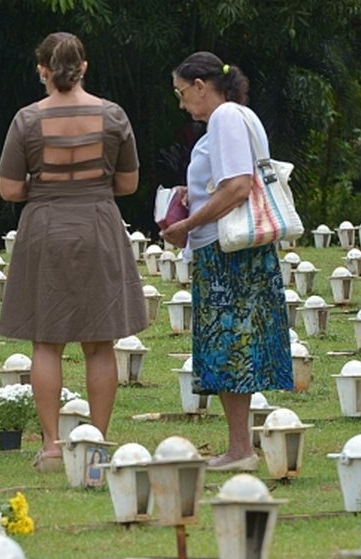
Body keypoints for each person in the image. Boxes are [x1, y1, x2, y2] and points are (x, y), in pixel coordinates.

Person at [0, 32, 146, 472]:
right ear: (85, 68)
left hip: (45, 225)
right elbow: (129, 184)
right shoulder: (113, 115)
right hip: (98, 224)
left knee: (47, 342)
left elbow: (8, 188)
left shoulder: (27, 120)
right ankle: (96, 444)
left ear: (43, 70)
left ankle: (52, 446)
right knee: (100, 345)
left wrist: (45, 188)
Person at [159, 52, 292, 472]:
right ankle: (239, 446)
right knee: (236, 345)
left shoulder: (224, 118)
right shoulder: (239, 117)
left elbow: (237, 187)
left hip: (226, 250)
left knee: (230, 346)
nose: (183, 104)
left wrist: (188, 224)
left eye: (183, 94)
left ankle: (240, 450)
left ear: (201, 85)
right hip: (231, 247)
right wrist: (190, 191)